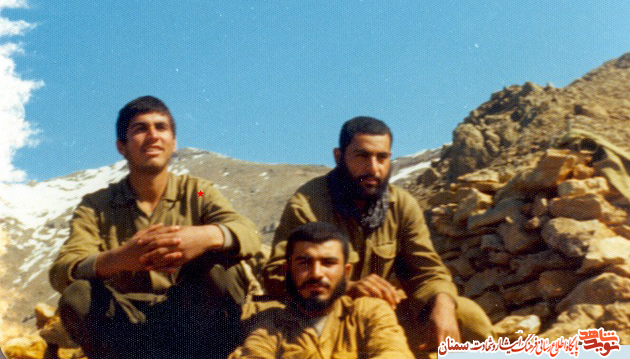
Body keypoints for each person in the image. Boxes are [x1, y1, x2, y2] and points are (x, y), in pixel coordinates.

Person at [49, 96, 262, 359]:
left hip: (192, 322)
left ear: (174, 142)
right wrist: (119, 259)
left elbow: (246, 231)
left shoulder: (197, 192)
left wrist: (204, 236)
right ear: (122, 146)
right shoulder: (97, 206)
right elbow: (63, 269)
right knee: (79, 295)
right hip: (126, 326)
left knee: (222, 269)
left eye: (161, 127)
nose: (153, 136)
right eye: (140, 129)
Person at [263, 116, 493, 355]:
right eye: (362, 156)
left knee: (466, 316)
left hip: (385, 311)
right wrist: (346, 287)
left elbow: (426, 271)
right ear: (339, 157)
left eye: (382, 157)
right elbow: (276, 274)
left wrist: (442, 301)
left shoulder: (401, 205)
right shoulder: (308, 204)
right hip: (324, 313)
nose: (373, 168)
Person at [231, 222, 414, 358]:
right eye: (304, 263)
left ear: (346, 272)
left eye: (328, 263)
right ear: (287, 270)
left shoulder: (369, 312)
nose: (316, 273)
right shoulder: (271, 324)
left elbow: (393, 352)